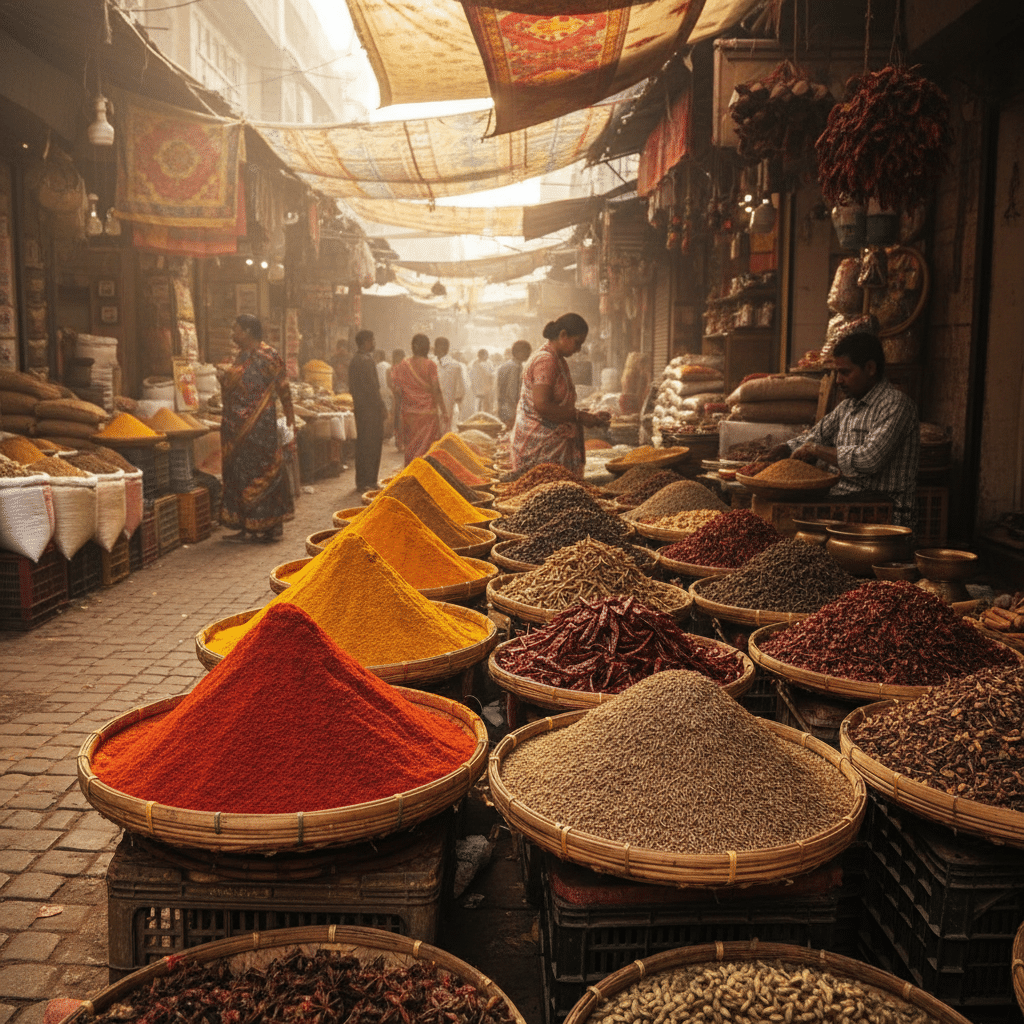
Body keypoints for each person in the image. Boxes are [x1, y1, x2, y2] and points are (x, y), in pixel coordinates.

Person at [767, 317, 920, 527]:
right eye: (837, 373)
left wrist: (815, 450)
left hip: (882, 514)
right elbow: (816, 436)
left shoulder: (895, 405)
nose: (838, 380)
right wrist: (785, 448)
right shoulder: (848, 406)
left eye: (845, 372)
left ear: (870, 368)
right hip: (843, 503)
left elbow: (868, 460)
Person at [217, 314, 295, 543]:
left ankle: (271, 525)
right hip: (236, 428)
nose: (233, 334)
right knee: (241, 472)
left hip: (260, 426)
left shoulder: (268, 355)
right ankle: (246, 524)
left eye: (237, 330)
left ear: (249, 332)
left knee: (265, 470)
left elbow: (283, 387)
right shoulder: (241, 357)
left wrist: (290, 415)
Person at [509, 313, 610, 476]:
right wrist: (580, 417)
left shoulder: (556, 359)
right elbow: (542, 405)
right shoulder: (546, 360)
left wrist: (587, 415)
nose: (578, 350)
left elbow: (558, 403)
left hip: (548, 446)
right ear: (563, 335)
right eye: (577, 343)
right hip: (541, 449)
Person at [391, 333, 446, 464]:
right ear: (427, 347)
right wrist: (444, 410)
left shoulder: (403, 365)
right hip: (428, 414)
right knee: (426, 448)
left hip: (408, 413)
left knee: (411, 446)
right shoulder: (430, 365)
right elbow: (436, 390)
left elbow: (397, 389)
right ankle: (424, 473)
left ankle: (411, 471)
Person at [348, 328, 385, 492]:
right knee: (372, 445)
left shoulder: (355, 360)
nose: (374, 343)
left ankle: (362, 481)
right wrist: (381, 406)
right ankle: (370, 480)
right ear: (366, 342)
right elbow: (372, 388)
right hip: (371, 411)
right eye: (372, 340)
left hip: (360, 409)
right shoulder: (367, 360)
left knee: (362, 445)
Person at [496, 340, 531, 428]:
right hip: (511, 410)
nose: (529, 355)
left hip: (503, 408)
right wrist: (516, 411)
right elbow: (512, 392)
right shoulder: (516, 367)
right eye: (527, 352)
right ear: (519, 353)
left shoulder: (506, 365)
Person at [433, 336, 465, 429]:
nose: (434, 349)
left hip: (445, 406)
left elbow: (460, 391)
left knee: (442, 432)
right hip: (442, 405)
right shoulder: (434, 363)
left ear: (440, 348)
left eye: (435, 347)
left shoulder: (454, 366)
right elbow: (460, 391)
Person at [619, 350, 651, 415]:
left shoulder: (626, 373)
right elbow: (640, 393)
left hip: (624, 399)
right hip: (633, 402)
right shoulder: (639, 374)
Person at [387, 348, 405, 450]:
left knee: (398, 419)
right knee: (398, 419)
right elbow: (389, 384)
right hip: (397, 397)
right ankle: (399, 441)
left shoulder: (391, 369)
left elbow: (389, 384)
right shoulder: (391, 369)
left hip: (398, 396)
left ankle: (400, 441)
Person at [469, 348, 495, 414]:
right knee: (484, 408)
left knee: (480, 407)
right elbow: (491, 375)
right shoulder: (486, 364)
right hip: (483, 389)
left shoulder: (473, 363)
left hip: (479, 390)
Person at [375, 349, 393, 440]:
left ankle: (383, 433)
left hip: (380, 392)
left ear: (379, 357)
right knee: (388, 411)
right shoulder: (389, 366)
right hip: (389, 391)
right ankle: (387, 433)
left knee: (382, 412)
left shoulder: (376, 366)